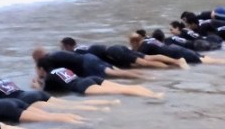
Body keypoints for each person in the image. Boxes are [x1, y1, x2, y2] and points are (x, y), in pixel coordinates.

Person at [0, 66, 117, 110]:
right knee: (69, 104)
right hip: (32, 94)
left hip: (27, 100)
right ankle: (106, 103)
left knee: (69, 108)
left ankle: (101, 108)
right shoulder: (5, 80)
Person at [34, 62, 163, 99]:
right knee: (122, 87)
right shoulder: (61, 68)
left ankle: (154, 96)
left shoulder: (49, 77)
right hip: (90, 79)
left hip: (82, 86)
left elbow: (45, 94)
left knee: (120, 92)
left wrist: (37, 86)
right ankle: (151, 93)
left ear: (41, 69)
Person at [59, 37, 187, 70]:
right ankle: (175, 62)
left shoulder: (76, 51)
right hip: (115, 48)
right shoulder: (83, 46)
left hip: (114, 52)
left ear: (68, 46)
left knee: (144, 62)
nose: (63, 51)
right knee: (148, 58)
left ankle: (174, 65)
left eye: (63, 48)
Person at [31, 47, 148, 80]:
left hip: (86, 64)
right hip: (89, 58)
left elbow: (47, 76)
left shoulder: (48, 60)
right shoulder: (55, 54)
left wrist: (38, 75)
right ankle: (145, 75)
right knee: (119, 72)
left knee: (117, 74)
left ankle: (148, 78)